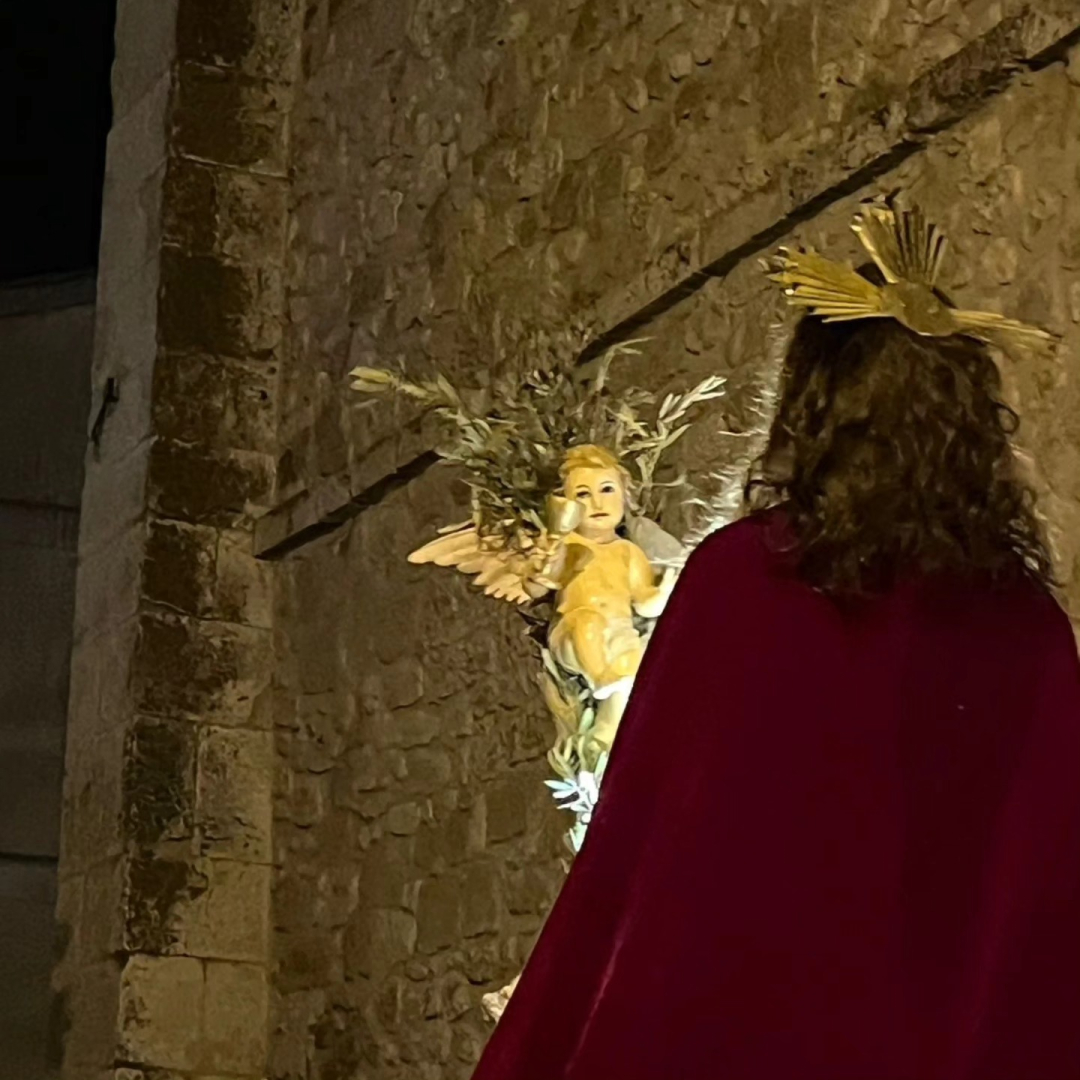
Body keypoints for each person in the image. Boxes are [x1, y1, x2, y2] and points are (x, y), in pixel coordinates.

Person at [470, 205, 1080, 1080]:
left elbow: (639, 864)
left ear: (809, 408)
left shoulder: (742, 581)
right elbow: (1043, 911)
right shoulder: (1025, 625)